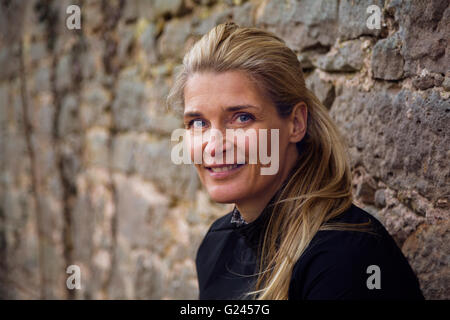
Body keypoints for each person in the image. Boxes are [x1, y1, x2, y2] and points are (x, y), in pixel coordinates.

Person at [166, 22, 424, 300]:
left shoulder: (346, 258)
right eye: (198, 122)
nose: (214, 145)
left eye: (242, 117)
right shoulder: (216, 246)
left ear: (296, 123)